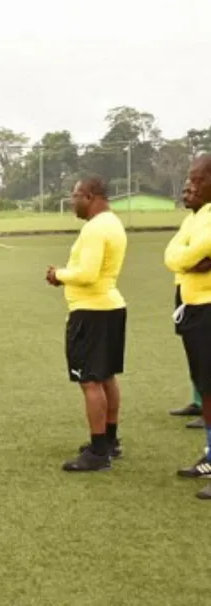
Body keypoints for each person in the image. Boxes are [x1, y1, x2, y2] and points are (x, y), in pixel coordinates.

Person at [46, 176, 127, 472]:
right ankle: (110, 441)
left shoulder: (95, 229)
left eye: (75, 195)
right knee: (106, 377)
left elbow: (88, 273)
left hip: (91, 312)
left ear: (90, 196)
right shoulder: (113, 223)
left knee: (90, 380)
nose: (72, 201)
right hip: (110, 307)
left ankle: (97, 453)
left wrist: (59, 274)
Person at [165, 154, 211, 498]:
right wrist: (189, 259)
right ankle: (210, 456)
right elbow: (173, 256)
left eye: (197, 179)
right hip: (194, 308)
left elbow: (187, 256)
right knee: (206, 387)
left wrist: (187, 258)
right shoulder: (196, 217)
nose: (190, 185)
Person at [168, 180, 205, 429]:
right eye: (184, 190)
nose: (186, 195)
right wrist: (184, 261)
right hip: (184, 289)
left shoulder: (206, 222)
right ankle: (198, 400)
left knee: (206, 352)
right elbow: (173, 254)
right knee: (193, 348)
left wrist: (183, 259)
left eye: (192, 190)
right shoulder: (189, 221)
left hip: (205, 297)